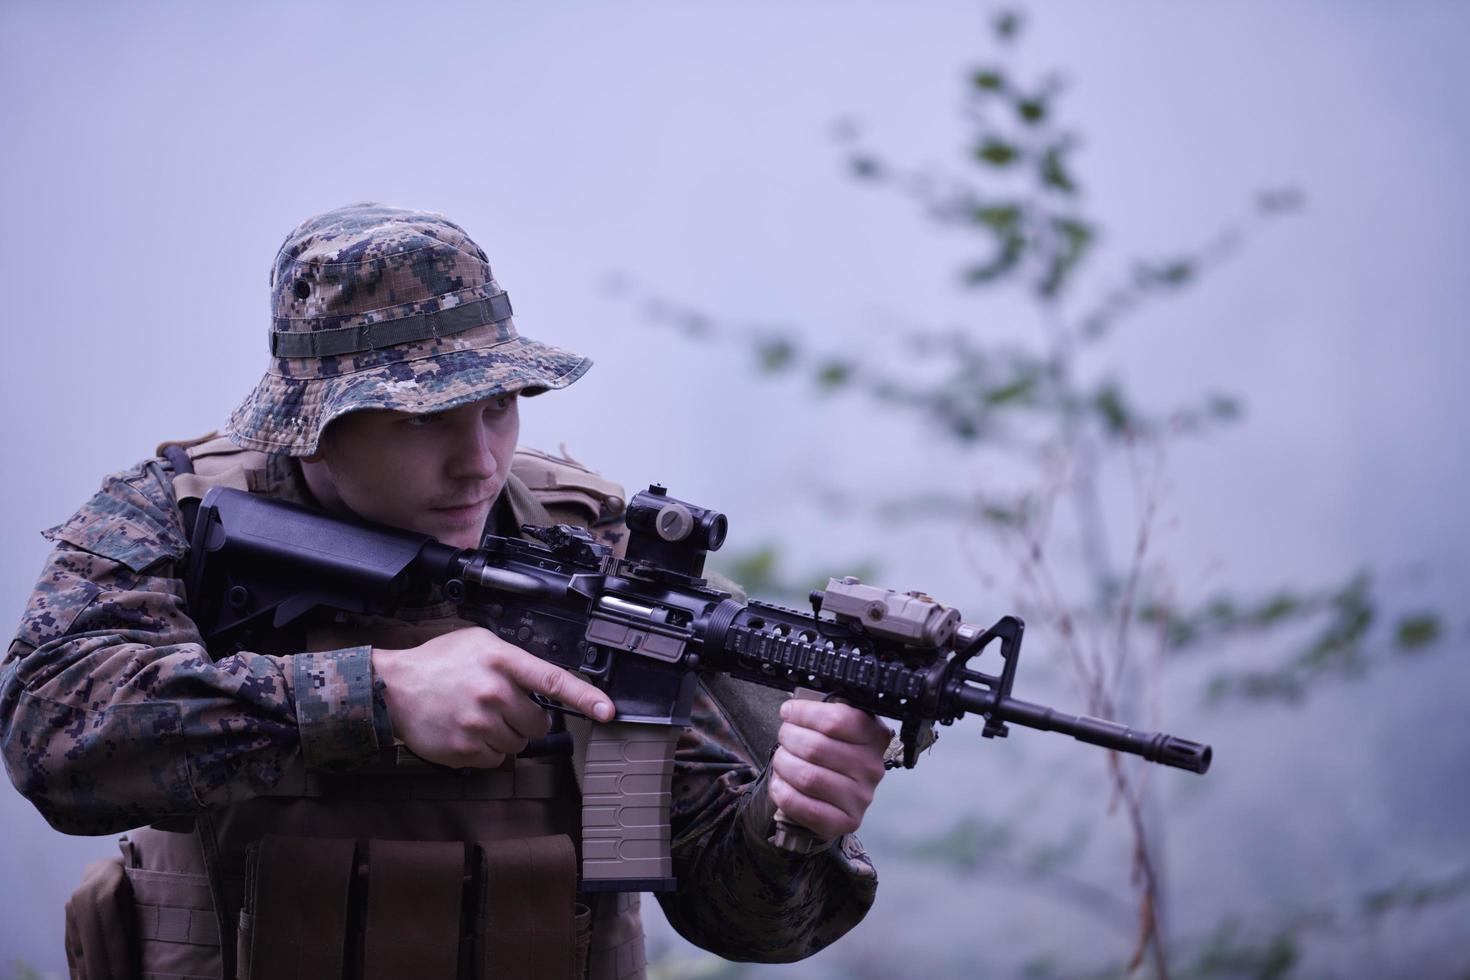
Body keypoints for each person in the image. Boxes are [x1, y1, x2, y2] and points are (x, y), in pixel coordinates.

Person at [0, 203, 889, 979]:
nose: (478, 463)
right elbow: (51, 737)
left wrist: (790, 825)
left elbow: (731, 913)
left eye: (500, 406)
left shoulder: (592, 546)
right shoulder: (176, 513)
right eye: (424, 419)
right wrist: (374, 694)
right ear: (312, 425)